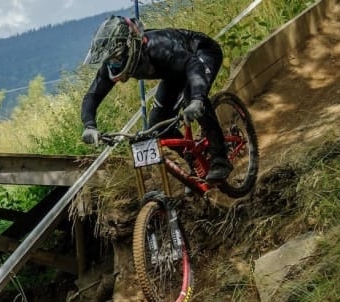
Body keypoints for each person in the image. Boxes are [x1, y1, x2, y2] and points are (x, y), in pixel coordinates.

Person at [80, 15, 233, 182]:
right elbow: (92, 96)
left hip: (200, 54)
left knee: (192, 99)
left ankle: (220, 157)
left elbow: (193, 65)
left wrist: (197, 100)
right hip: (174, 71)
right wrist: (89, 126)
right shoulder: (113, 64)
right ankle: (195, 160)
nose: (113, 66)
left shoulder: (158, 47)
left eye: (116, 59)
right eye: (109, 62)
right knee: (156, 125)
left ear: (130, 47)